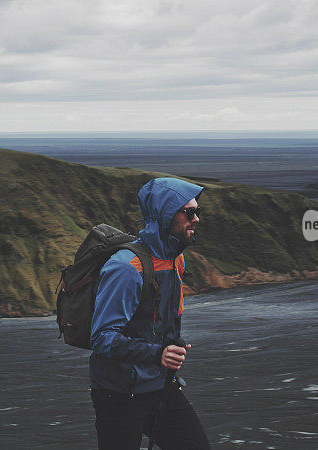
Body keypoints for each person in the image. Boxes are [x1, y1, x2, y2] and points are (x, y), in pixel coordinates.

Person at [89, 177, 210, 450]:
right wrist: (158, 354)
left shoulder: (175, 259)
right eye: (188, 212)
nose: (196, 219)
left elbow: (160, 320)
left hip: (161, 385)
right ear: (165, 215)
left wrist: (170, 346)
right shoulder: (126, 268)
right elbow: (101, 338)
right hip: (119, 395)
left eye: (198, 212)